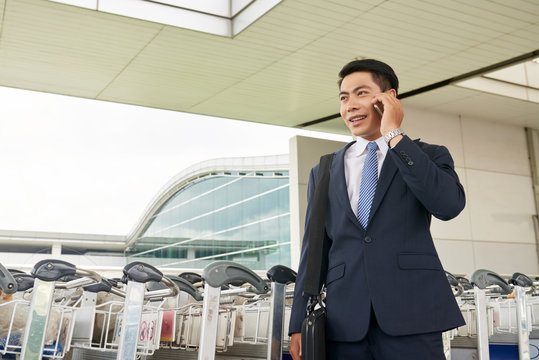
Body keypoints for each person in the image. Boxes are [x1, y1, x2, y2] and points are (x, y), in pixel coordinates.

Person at [288, 59, 465, 359]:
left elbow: (448, 205)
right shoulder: (325, 169)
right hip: (344, 325)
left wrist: (394, 135)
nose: (350, 106)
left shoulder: (425, 155)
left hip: (413, 318)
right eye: (344, 98)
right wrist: (297, 323)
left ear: (389, 98)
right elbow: (314, 247)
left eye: (361, 93)